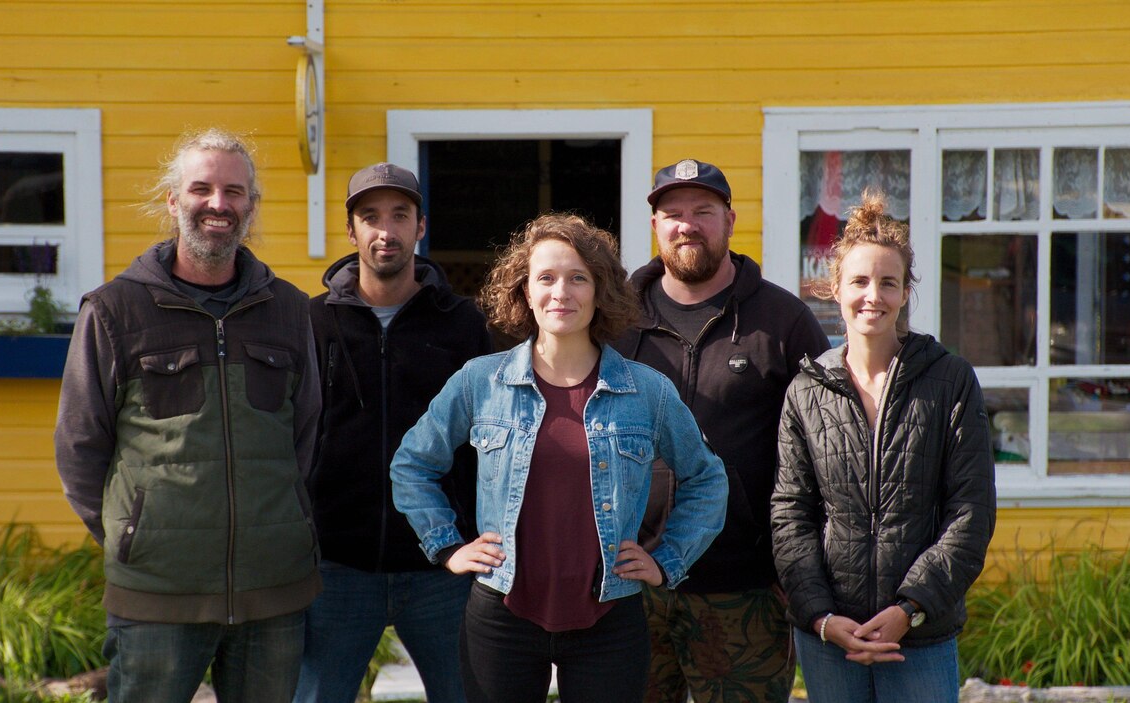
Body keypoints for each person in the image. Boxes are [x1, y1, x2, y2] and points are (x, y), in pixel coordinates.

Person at [389, 213, 728, 703]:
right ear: (525, 291)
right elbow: (412, 465)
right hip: (501, 616)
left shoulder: (646, 391)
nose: (561, 292)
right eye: (545, 278)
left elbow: (707, 479)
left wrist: (667, 560)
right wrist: (447, 546)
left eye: (578, 278)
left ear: (600, 290)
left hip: (610, 620)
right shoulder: (480, 381)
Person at [54, 128, 322, 703]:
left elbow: (307, 435)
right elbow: (80, 446)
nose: (218, 204)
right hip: (156, 593)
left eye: (234, 191)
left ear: (251, 205)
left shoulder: (290, 310)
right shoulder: (114, 311)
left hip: (273, 590)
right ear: (173, 201)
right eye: (201, 189)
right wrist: (133, 534)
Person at [613, 158, 830, 703]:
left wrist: (800, 568)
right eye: (673, 213)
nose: (687, 225)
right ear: (655, 226)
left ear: (730, 220)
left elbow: (824, 453)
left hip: (744, 587)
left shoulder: (783, 321)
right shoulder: (614, 321)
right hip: (630, 582)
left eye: (703, 211)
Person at [771, 190, 996, 703]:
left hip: (920, 636)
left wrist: (908, 609)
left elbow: (971, 511)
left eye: (888, 282)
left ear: (905, 292)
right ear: (835, 288)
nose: (873, 295)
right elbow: (790, 514)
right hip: (831, 640)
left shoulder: (950, 381)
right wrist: (822, 617)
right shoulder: (806, 391)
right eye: (859, 281)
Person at [294, 163, 491, 703]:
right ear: (351, 230)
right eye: (370, 217)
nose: (386, 231)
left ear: (420, 226)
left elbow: (491, 439)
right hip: (336, 567)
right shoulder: (309, 322)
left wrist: (476, 536)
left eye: (400, 215)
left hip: (444, 567)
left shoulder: (465, 324)